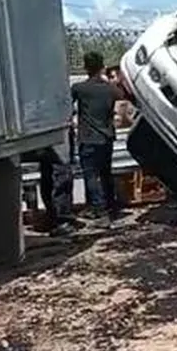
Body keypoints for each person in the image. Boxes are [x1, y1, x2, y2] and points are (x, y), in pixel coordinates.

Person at [71, 52, 126, 228]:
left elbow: (67, 106)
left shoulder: (79, 88)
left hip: (88, 138)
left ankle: (99, 210)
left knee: (91, 175)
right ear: (102, 67)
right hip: (106, 137)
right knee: (105, 173)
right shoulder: (111, 89)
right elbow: (122, 96)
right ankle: (111, 207)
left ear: (85, 67)